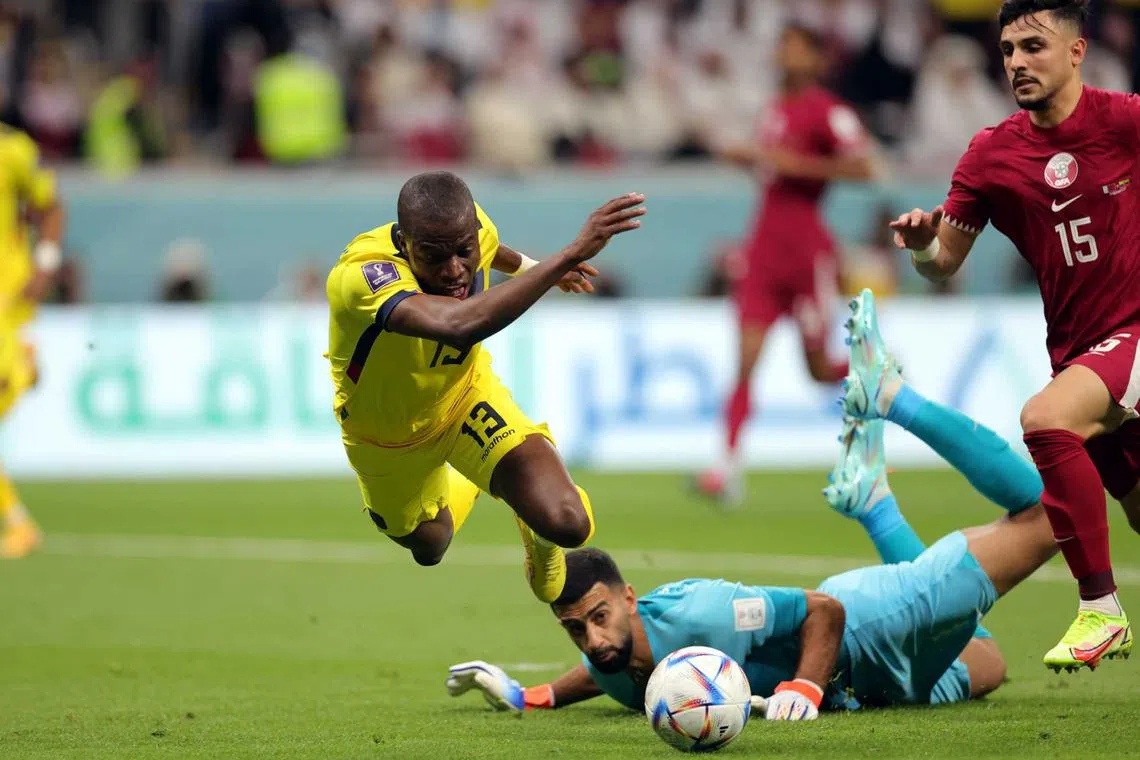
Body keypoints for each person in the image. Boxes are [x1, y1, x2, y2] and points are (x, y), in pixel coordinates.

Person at [447, 290, 1061, 718]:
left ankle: (892, 396)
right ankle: (875, 504)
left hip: (870, 627)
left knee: (1048, 510)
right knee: (990, 662)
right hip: (879, 687)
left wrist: (805, 688)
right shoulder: (612, 655)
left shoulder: (702, 615)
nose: (592, 639)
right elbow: (601, 670)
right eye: (575, 628)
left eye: (598, 617)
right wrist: (531, 695)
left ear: (629, 598)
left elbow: (822, 611)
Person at [888, 0, 1137, 670]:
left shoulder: (1124, 121)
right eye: (1007, 50)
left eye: (1034, 46)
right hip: (1081, 352)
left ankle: (1100, 611)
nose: (1017, 63)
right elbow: (944, 264)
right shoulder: (992, 155)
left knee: (1045, 420)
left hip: (1134, 335)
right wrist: (920, 247)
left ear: (1077, 51)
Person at [325, 171, 644, 602]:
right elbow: (457, 325)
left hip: (463, 399)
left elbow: (492, 248)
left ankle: (535, 530)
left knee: (568, 523)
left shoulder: (476, 229)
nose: (455, 269)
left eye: (463, 250)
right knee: (430, 545)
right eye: (433, 257)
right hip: (385, 438)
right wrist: (565, 258)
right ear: (403, 244)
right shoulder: (364, 275)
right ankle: (474, 479)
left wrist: (533, 267)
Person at [697, 23, 876, 505]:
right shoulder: (774, 109)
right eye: (782, 46)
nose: (785, 55)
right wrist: (753, 159)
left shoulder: (828, 111)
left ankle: (885, 379)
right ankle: (726, 469)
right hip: (763, 251)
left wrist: (789, 163)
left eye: (797, 47)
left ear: (817, 58)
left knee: (819, 369)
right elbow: (773, 164)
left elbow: (865, 166)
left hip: (806, 253)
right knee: (744, 364)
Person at [0, 125, 65, 559]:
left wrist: (44, 264)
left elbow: (50, 205)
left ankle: (19, 525)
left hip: (8, 302)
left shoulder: (12, 149)